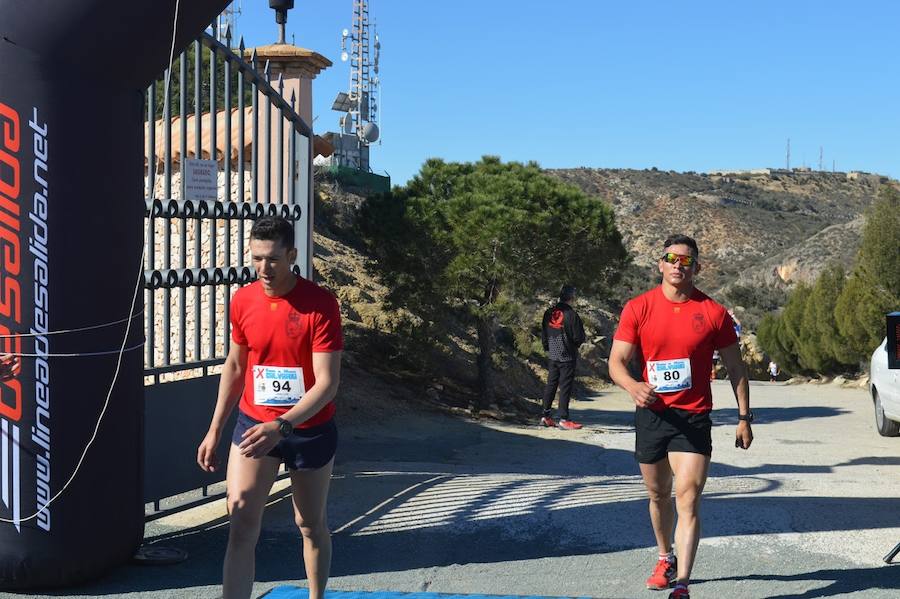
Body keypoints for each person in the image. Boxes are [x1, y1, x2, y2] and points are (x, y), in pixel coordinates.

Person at [197, 216, 343, 599]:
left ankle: (316, 596)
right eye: (257, 257)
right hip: (253, 425)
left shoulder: (320, 305)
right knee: (242, 525)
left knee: (309, 523)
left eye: (273, 259)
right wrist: (215, 429)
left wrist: (282, 425)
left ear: (292, 255)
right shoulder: (243, 299)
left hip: (307, 430)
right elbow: (235, 366)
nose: (264, 268)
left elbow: (327, 384)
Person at [608, 235, 753, 599]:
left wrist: (744, 416)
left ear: (696, 268)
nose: (678, 264)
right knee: (659, 495)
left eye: (686, 260)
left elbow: (736, 367)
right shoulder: (638, 308)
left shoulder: (713, 313)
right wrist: (632, 386)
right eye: (671, 258)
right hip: (652, 415)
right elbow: (616, 363)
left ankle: (684, 583)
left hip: (693, 417)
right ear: (660, 264)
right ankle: (664, 557)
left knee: (687, 496)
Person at [540, 284, 586, 430]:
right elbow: (579, 337)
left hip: (553, 354)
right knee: (565, 387)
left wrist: (548, 347)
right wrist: (574, 346)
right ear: (572, 297)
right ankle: (563, 419)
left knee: (551, 385)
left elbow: (544, 333)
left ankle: (545, 416)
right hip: (567, 355)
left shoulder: (548, 312)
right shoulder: (572, 315)